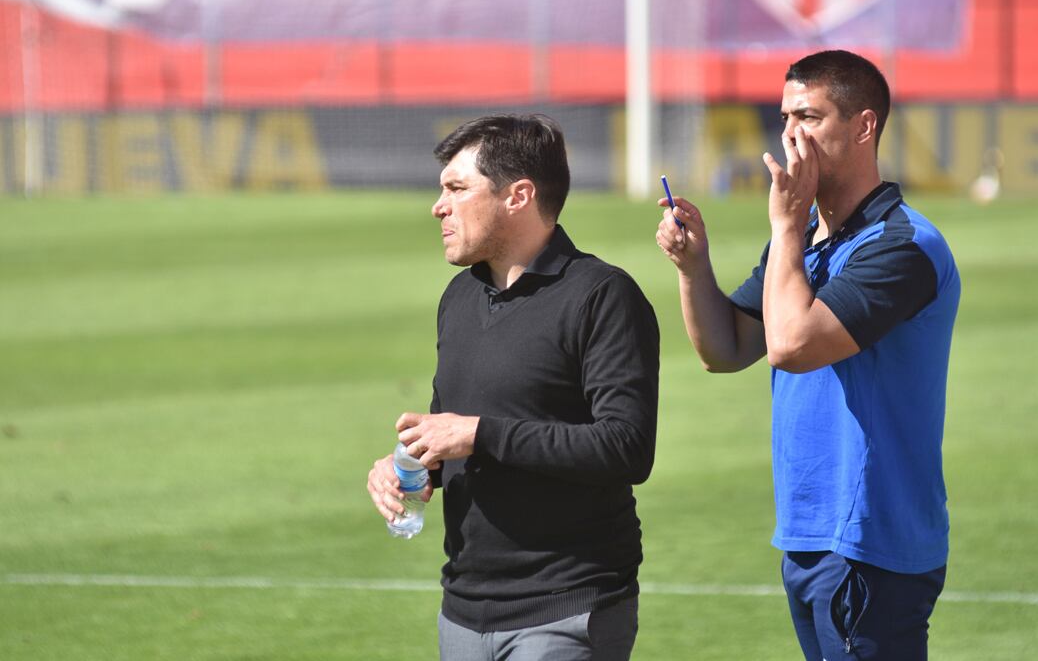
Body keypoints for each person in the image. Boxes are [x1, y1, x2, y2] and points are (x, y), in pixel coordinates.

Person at [655, 50, 960, 660]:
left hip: (869, 542)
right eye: (785, 116)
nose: (790, 134)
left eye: (809, 116)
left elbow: (791, 346)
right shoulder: (806, 246)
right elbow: (727, 347)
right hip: (808, 535)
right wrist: (694, 267)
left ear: (863, 126)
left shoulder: (900, 247)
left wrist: (788, 227)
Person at [367, 114, 660, 660]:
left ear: (518, 195)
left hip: (565, 608)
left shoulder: (603, 296)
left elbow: (627, 448)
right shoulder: (458, 297)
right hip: (462, 609)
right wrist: (406, 466)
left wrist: (480, 434)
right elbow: (449, 430)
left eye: (457, 188)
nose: (439, 206)